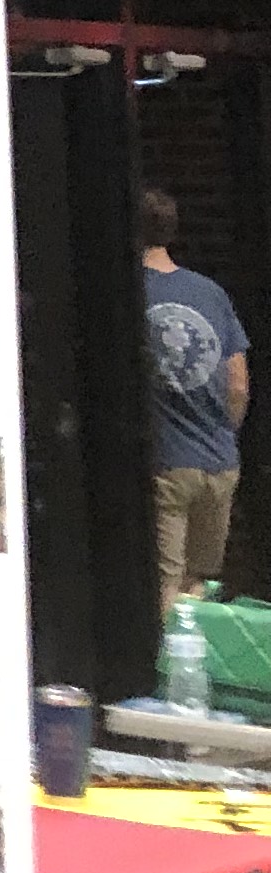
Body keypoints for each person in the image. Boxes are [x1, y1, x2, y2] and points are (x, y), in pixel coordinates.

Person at [144, 186, 250, 605]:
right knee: (197, 586)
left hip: (167, 464)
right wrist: (223, 434)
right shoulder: (211, 293)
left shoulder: (128, 293)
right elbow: (238, 384)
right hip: (219, 462)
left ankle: (166, 671)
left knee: (164, 585)